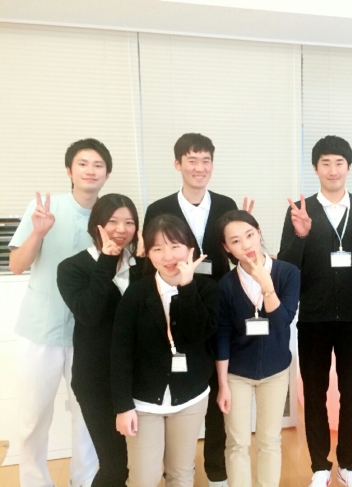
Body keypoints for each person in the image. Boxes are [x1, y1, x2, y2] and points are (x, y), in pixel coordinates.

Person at [278, 135, 352, 487]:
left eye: (339, 162)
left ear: (348, 167)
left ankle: (349, 465)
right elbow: (287, 266)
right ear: (315, 168)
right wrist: (300, 235)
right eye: (325, 163)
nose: (332, 170)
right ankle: (319, 466)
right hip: (313, 318)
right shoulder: (301, 210)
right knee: (314, 395)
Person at [9, 138, 113, 487]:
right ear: (69, 170)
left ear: (107, 174)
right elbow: (17, 265)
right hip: (41, 331)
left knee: (87, 416)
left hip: (89, 335)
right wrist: (38, 234)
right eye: (83, 163)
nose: (90, 170)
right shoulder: (44, 208)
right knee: (33, 418)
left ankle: (84, 480)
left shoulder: (110, 216)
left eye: (98, 165)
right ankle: (35, 481)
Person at [143, 133, 239, 487]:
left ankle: (216, 471)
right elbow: (150, 263)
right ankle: (172, 469)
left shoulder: (226, 204)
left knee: (218, 389)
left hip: (216, 306)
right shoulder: (159, 209)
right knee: (175, 384)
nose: (200, 168)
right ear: (178, 164)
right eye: (192, 160)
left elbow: (234, 252)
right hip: (174, 308)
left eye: (205, 161)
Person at [111, 214, 219, 487]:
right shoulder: (137, 294)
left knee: (181, 474)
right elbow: (120, 352)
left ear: (190, 248)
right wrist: (123, 406)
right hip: (144, 403)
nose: (168, 256)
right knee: (143, 478)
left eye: (175, 246)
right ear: (148, 253)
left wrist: (187, 287)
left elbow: (199, 334)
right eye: (157, 248)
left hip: (190, 398)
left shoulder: (206, 289)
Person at [57, 194, 145, 486]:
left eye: (129, 222)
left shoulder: (140, 265)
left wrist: (146, 264)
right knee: (114, 465)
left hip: (140, 376)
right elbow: (89, 313)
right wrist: (107, 261)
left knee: (145, 461)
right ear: (97, 224)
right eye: (113, 221)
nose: (121, 229)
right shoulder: (71, 268)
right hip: (97, 379)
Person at [213, 210, 300, 487]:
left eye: (249, 235)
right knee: (237, 442)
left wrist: (266, 285)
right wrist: (223, 384)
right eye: (235, 241)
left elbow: (282, 322)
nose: (246, 245)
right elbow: (222, 335)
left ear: (259, 232)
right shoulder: (226, 285)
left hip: (275, 372)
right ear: (227, 248)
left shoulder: (287, 273)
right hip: (237, 374)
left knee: (269, 440)